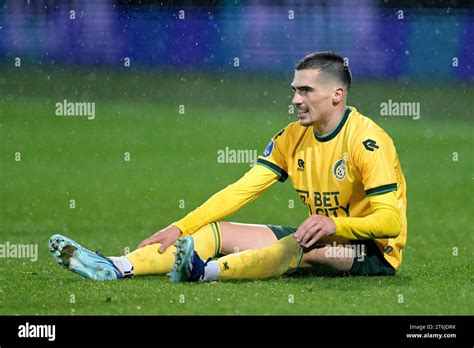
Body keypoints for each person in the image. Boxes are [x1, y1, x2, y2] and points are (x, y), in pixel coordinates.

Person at [49, 51, 407, 282]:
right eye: (294, 89)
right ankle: (116, 266)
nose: (296, 99)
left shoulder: (366, 141)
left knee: (297, 246)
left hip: (370, 250)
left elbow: (391, 222)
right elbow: (242, 189)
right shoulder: (292, 137)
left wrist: (335, 223)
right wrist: (179, 227)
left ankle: (205, 272)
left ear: (336, 95)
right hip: (323, 233)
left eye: (306, 91)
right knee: (215, 233)